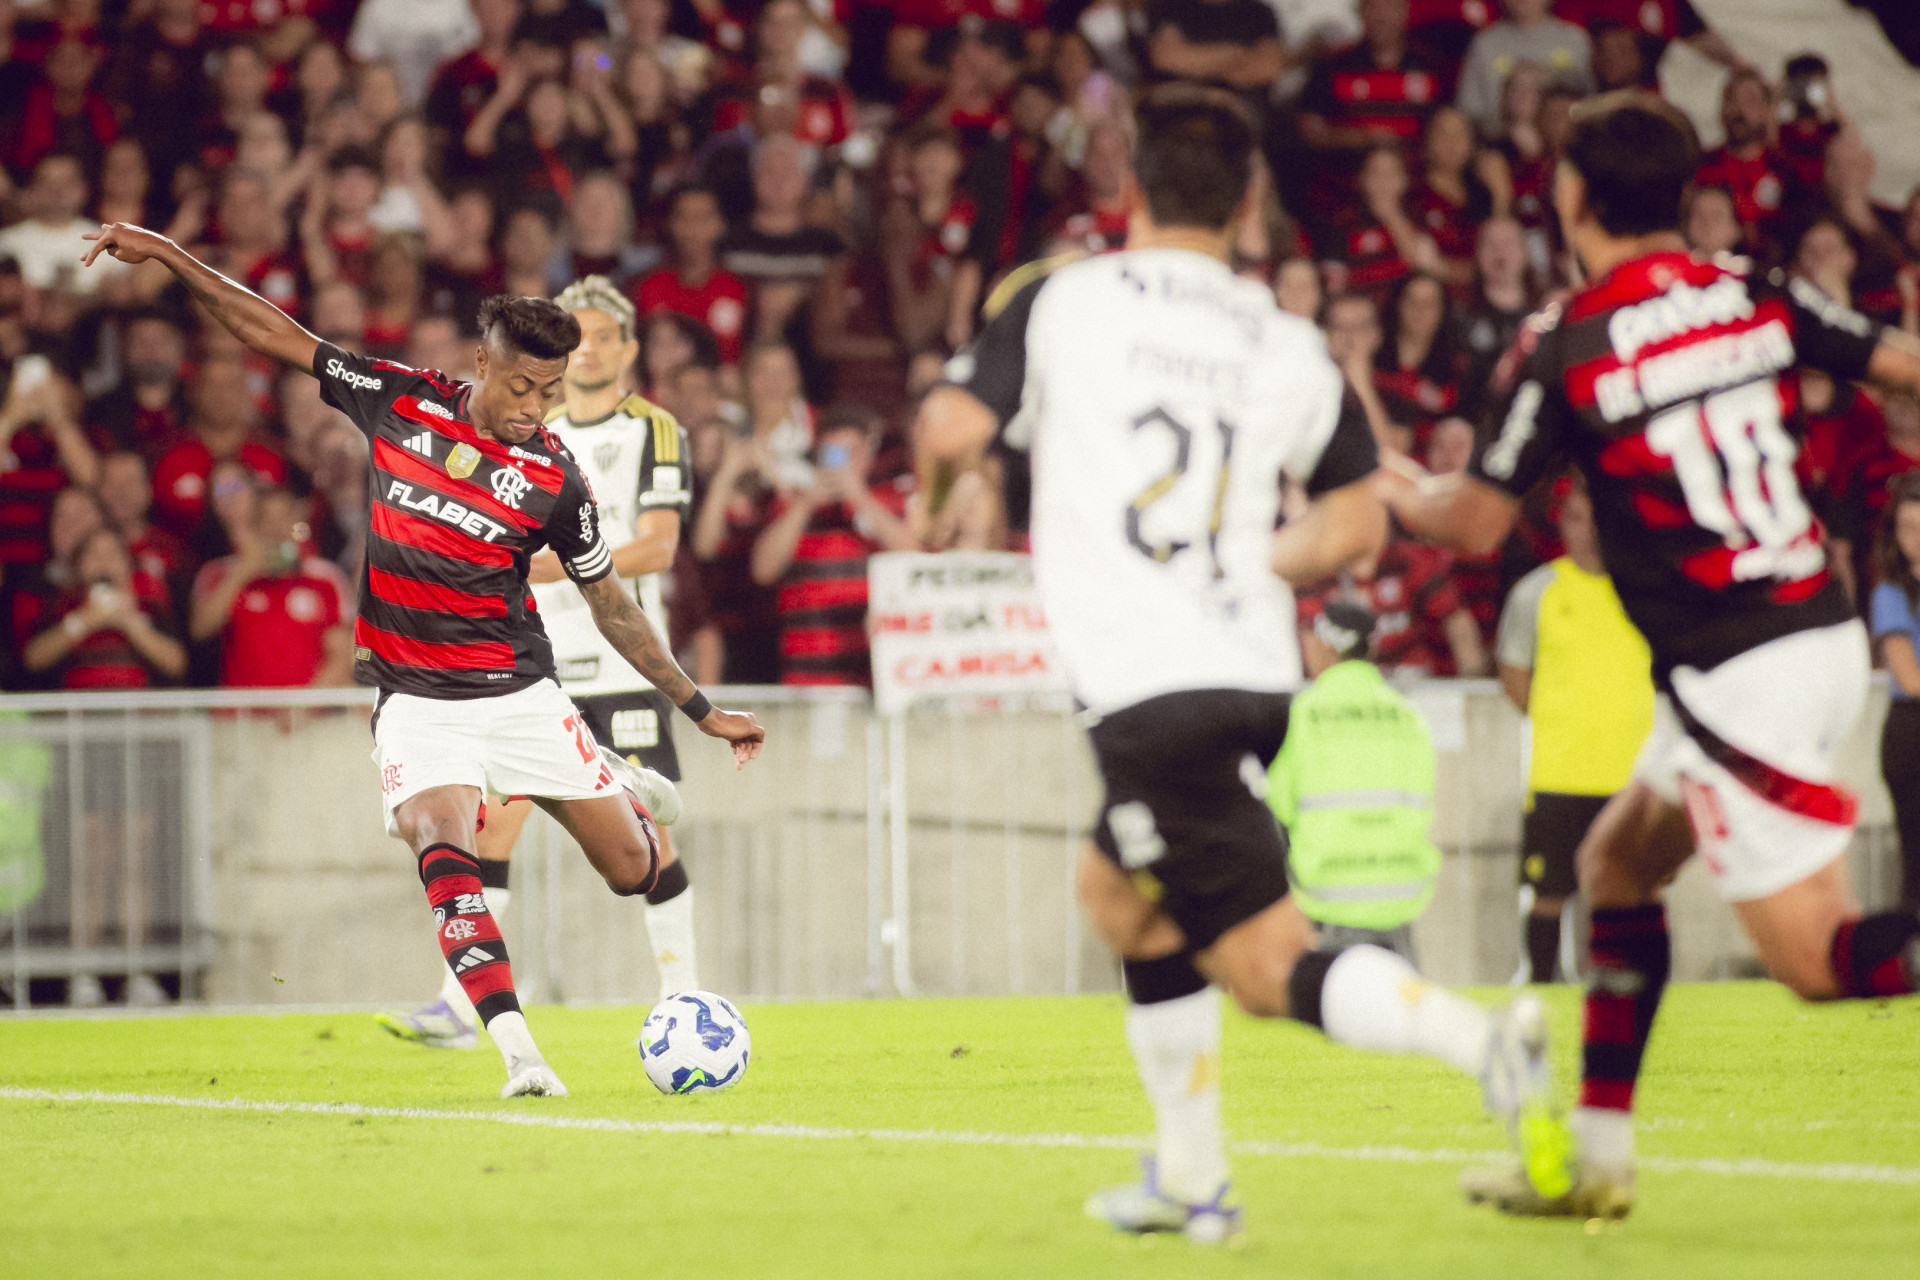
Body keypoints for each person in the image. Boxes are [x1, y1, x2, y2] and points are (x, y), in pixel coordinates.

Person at [915, 85, 1560, 1245]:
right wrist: (1250, 557)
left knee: (1267, 966)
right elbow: (1359, 524)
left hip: (1152, 686)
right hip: (1254, 670)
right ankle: (1189, 1176)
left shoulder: (1066, 296)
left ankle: (1483, 1042)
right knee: (1121, 895)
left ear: (1130, 188)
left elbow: (953, 430)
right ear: (1250, 202)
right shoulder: (1286, 337)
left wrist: (933, 498)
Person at [1377, 91, 1920, 1219]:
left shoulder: (1567, 344)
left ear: (1570, 195)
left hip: (1742, 673)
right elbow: (1898, 364)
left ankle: (1598, 1153)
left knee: (1818, 963)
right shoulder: (1753, 291)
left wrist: (1375, 473)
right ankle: (1597, 1157)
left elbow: (1473, 521)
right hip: (1806, 626)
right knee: (1616, 864)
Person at [80, 220, 767, 1099]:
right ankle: (521, 1054)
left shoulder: (556, 479)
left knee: (634, 871)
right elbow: (270, 331)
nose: (534, 408)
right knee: (443, 845)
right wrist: (171, 255)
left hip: (521, 695)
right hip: (416, 701)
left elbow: (612, 608)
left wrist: (702, 711)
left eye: (550, 392)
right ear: (482, 363)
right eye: (521, 385)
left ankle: (614, 779)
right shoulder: (400, 401)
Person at [375, 276, 705, 1047]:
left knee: (646, 847)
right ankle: (463, 1006)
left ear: (626, 348)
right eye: (574, 336)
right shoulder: (519, 425)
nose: (586, 351)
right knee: (491, 830)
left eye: (600, 336)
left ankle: (683, 992)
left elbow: (658, 547)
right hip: (521, 667)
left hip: (613, 662)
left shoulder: (651, 429)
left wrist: (543, 563)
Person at [1495, 477, 1653, 982]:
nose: (1590, 532)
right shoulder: (1536, 593)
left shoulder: (1645, 589)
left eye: (1598, 519)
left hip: (1632, 776)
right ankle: (1543, 983)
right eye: (1578, 518)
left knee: (1631, 890)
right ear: (1561, 523)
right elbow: (1516, 678)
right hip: (1559, 772)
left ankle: (1628, 987)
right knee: (1549, 892)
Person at [1270, 600, 1439, 962]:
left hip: (1330, 899)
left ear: (1327, 644)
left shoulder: (1301, 715)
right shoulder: (1407, 716)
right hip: (1400, 895)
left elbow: (1277, 809)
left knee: (1338, 1008)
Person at [751, 405, 920, 685]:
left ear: (868, 454)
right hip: (806, 680)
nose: (840, 465)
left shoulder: (888, 504)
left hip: (873, 680)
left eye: (850, 454)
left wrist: (859, 498)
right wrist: (805, 505)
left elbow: (917, 562)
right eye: (833, 455)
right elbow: (763, 570)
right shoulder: (791, 507)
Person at [189, 483, 356, 688]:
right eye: (268, 521)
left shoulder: (325, 579)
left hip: (308, 714)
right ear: (254, 525)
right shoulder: (219, 572)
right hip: (241, 716)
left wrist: (302, 708)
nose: (277, 531)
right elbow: (200, 628)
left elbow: (341, 656)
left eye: (284, 519)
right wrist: (242, 572)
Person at [1870, 473, 1920, 909]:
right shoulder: (1891, 594)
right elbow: (1911, 679)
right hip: (1912, 731)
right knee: (1915, 850)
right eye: (1908, 529)